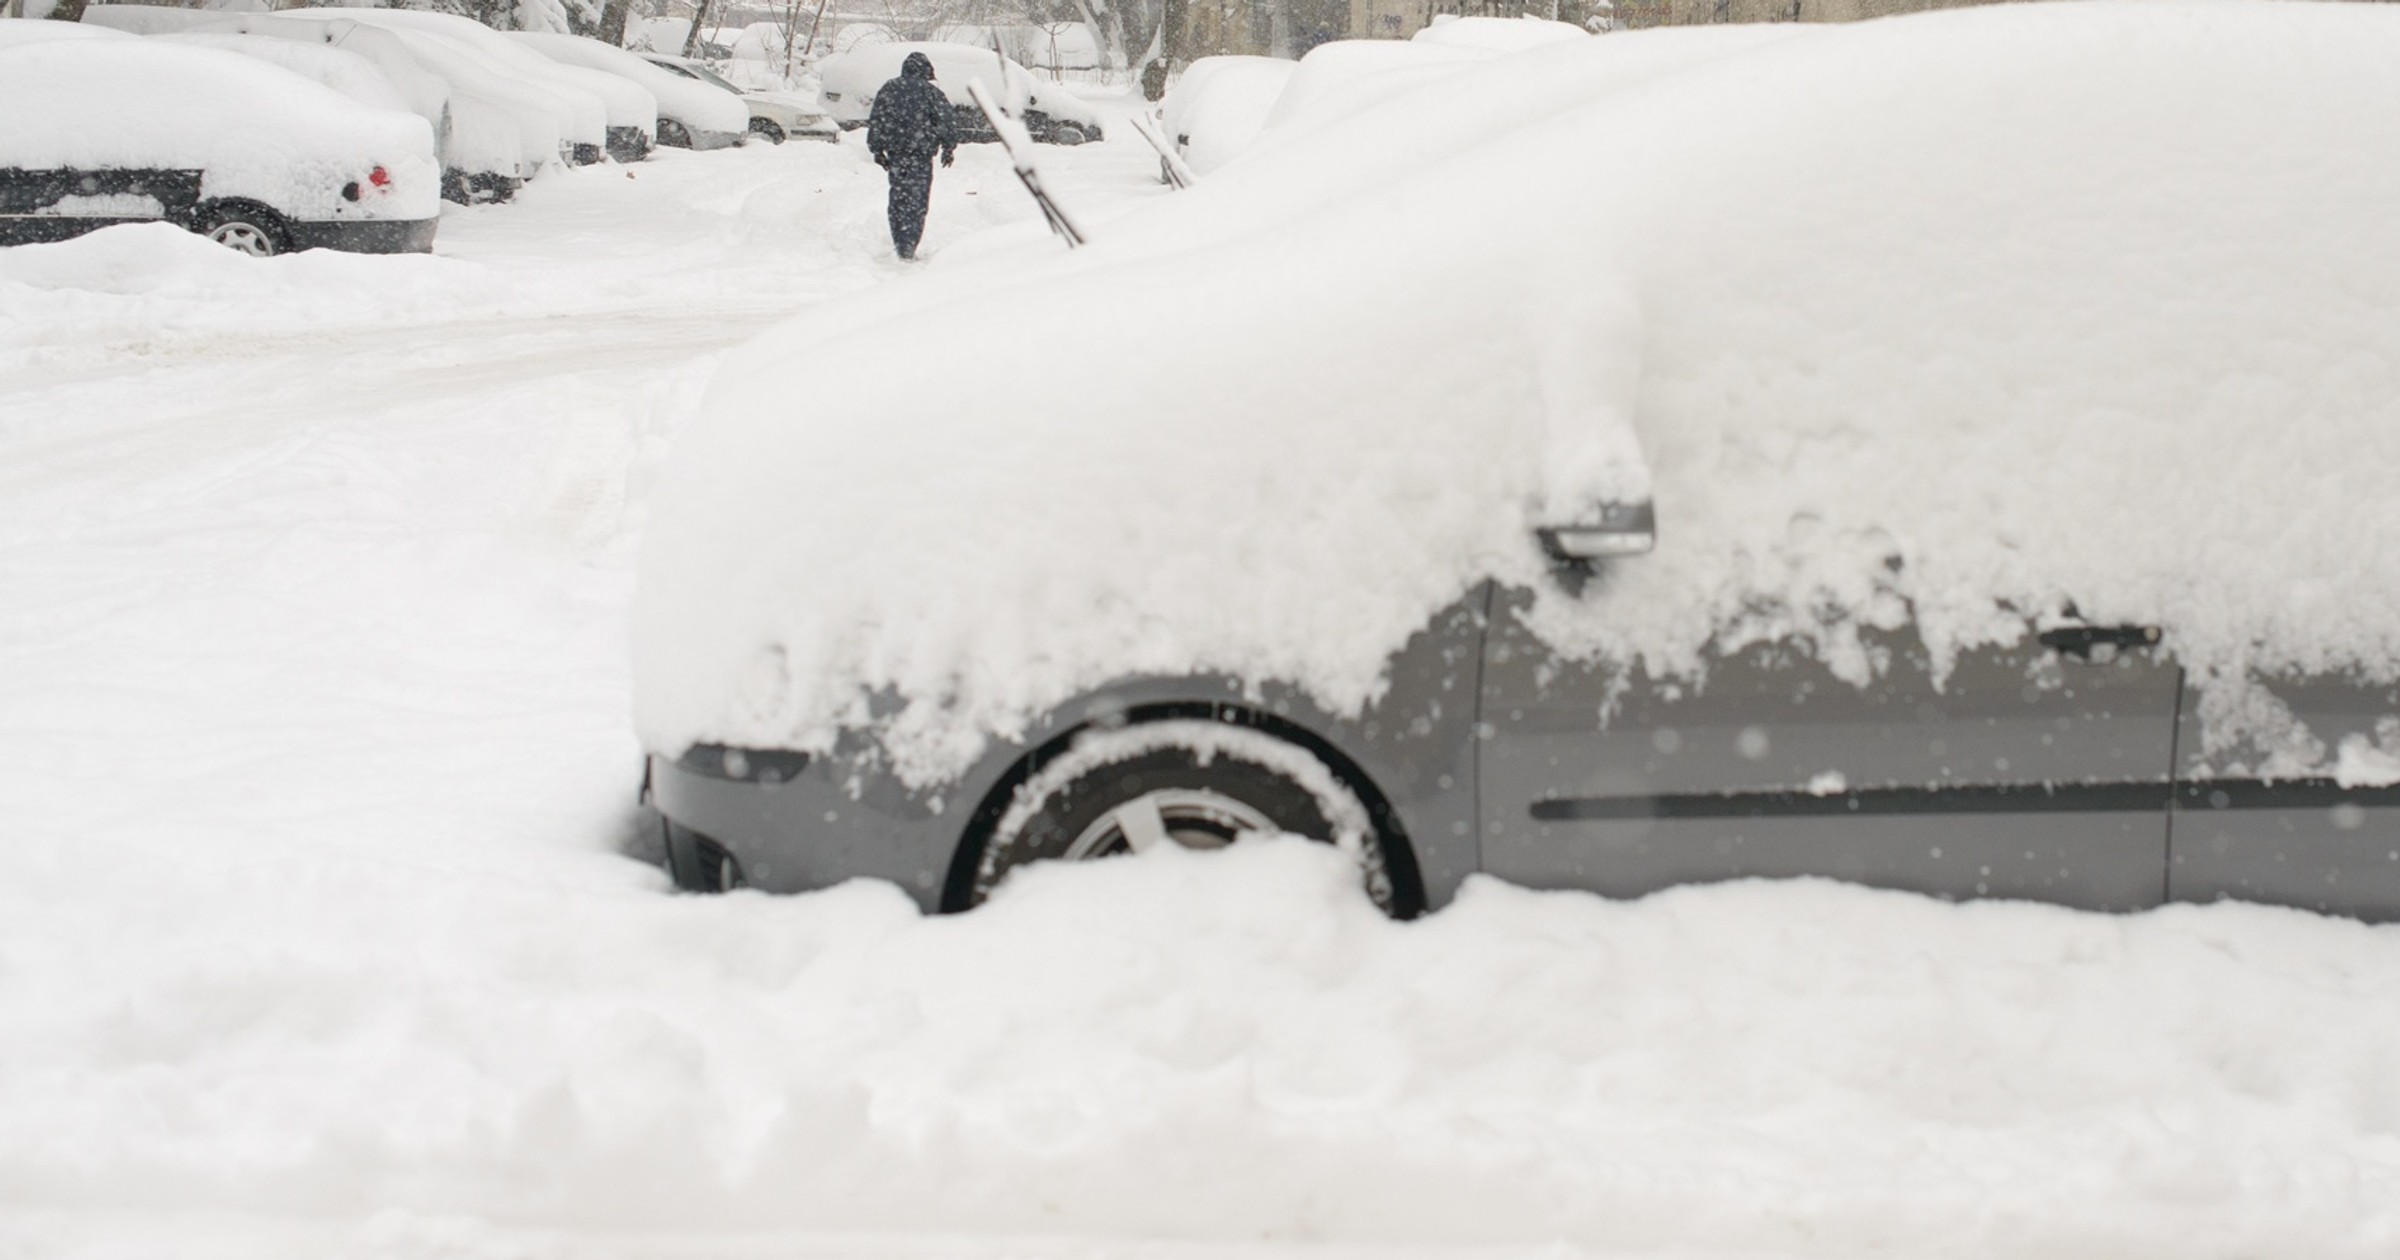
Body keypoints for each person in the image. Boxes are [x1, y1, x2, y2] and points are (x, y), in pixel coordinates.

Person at [866, 52, 956, 261]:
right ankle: (910, 243)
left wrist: (877, 149)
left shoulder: (889, 89)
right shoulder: (931, 93)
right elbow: (946, 121)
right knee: (917, 201)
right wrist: (948, 147)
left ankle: (900, 239)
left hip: (897, 156)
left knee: (898, 198)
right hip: (921, 156)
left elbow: (877, 119)